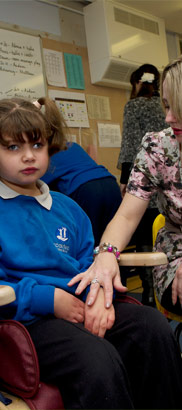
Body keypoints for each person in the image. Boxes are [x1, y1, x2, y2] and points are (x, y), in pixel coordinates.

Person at [0, 97, 182, 409]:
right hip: (27, 319)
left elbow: (90, 262)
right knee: (96, 358)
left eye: (37, 145)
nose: (28, 156)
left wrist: (100, 296)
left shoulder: (68, 208)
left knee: (150, 326)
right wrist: (49, 299)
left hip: (83, 302)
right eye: (13, 147)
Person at [71, 55, 182, 318]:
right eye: (165, 106)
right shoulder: (158, 147)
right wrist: (107, 254)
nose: (167, 117)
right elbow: (126, 216)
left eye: (176, 107)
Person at [39, 97, 122, 247]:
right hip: (110, 185)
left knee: (89, 242)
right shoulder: (72, 145)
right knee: (111, 241)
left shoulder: (45, 154)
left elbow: (39, 188)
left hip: (86, 191)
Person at [117, 64, 168, 305]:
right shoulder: (163, 107)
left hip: (143, 180)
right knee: (164, 231)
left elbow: (130, 145)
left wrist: (125, 181)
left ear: (137, 82)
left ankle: (149, 293)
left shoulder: (134, 106)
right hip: (168, 183)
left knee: (144, 235)